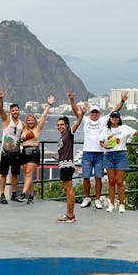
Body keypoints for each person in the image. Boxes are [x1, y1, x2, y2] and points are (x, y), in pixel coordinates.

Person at [71, 91, 127, 209]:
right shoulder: (86, 120)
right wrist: (71, 100)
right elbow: (76, 111)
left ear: (99, 113)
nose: (94, 114)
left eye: (96, 112)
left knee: (98, 177)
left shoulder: (103, 120)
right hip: (87, 153)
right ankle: (86, 198)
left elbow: (115, 111)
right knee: (86, 176)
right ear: (90, 113)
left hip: (100, 153)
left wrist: (122, 101)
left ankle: (97, 199)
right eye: (93, 112)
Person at [99, 111, 138, 213]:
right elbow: (101, 141)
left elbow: (134, 132)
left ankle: (122, 204)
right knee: (111, 181)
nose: (114, 118)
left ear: (119, 118)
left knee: (120, 181)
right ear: (110, 118)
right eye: (113, 117)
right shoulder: (106, 129)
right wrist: (105, 146)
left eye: (116, 117)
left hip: (121, 154)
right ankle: (112, 204)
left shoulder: (124, 128)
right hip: (109, 154)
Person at [19, 95, 56, 204]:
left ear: (35, 121)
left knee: (29, 173)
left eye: (32, 120)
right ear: (26, 121)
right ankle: (31, 195)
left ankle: (23, 194)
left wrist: (48, 105)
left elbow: (44, 116)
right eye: (28, 120)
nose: (30, 121)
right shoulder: (24, 128)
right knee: (27, 175)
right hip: (24, 152)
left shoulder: (38, 128)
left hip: (34, 152)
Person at [55, 92, 85, 223]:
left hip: (67, 165)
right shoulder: (62, 137)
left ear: (66, 125)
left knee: (69, 189)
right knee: (66, 189)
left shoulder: (69, 133)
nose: (60, 126)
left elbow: (78, 121)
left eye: (62, 124)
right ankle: (68, 214)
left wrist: (72, 100)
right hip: (63, 164)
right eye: (58, 125)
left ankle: (71, 215)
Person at [0, 89, 24, 204]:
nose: (15, 112)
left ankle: (13, 194)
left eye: (16, 110)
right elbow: (1, 109)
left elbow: (27, 134)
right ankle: (2, 195)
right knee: (3, 174)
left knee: (15, 175)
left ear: (19, 111)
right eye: (13, 111)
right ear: (10, 112)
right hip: (6, 152)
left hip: (17, 152)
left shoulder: (22, 124)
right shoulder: (7, 120)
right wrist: (1, 99)